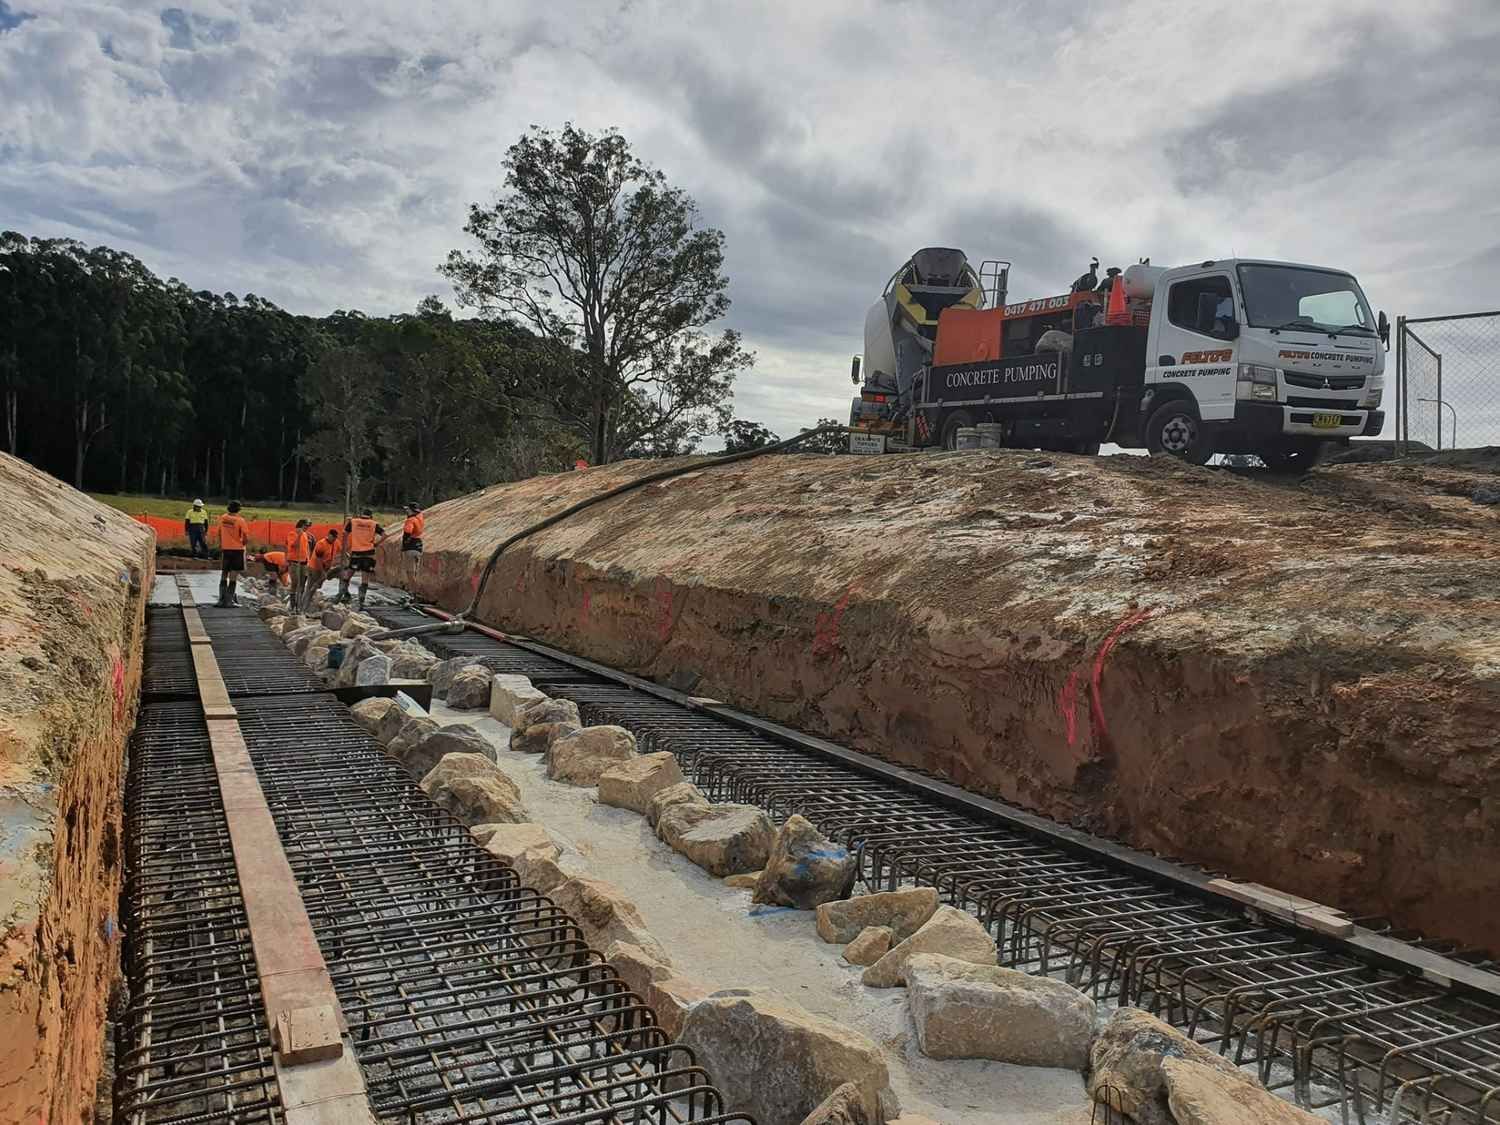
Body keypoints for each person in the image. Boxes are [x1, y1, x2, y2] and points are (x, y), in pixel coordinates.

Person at [342, 508, 387, 609]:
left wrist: (345, 548)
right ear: (371, 516)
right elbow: (385, 535)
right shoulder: (374, 524)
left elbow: (344, 533)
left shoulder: (353, 522)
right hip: (369, 553)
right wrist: (376, 543)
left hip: (356, 553)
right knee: (365, 577)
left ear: (362, 514)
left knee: (348, 574)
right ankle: (361, 601)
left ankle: (344, 594)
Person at [217, 501, 251, 607]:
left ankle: (221, 599)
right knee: (233, 574)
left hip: (225, 548)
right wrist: (243, 543)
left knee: (224, 573)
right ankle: (229, 600)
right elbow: (245, 536)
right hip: (237, 549)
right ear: (238, 509)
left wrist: (222, 543)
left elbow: (219, 532)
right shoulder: (240, 520)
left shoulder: (223, 518)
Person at [306, 527, 341, 612]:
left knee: (319, 584)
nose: (334, 539)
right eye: (333, 537)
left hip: (326, 568)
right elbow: (318, 560)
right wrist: (322, 572)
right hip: (315, 568)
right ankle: (305, 606)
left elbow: (341, 550)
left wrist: (346, 556)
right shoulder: (321, 544)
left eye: (335, 538)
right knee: (311, 587)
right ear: (329, 535)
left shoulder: (336, 542)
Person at [285, 518, 314, 609]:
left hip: (304, 562)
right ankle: (292, 603)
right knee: (295, 582)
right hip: (294, 562)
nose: (307, 528)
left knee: (302, 583)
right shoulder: (292, 534)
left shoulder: (305, 535)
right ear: (301, 526)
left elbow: (306, 549)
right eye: (305, 526)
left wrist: (309, 561)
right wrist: (299, 536)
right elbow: (293, 545)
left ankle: (299, 604)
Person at [400, 504, 425, 588]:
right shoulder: (420, 518)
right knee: (415, 572)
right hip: (419, 545)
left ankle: (416, 593)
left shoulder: (410, 520)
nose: (406, 511)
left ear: (412, 510)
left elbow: (408, 532)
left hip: (411, 546)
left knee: (410, 573)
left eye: (408, 510)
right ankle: (415, 592)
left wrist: (405, 544)